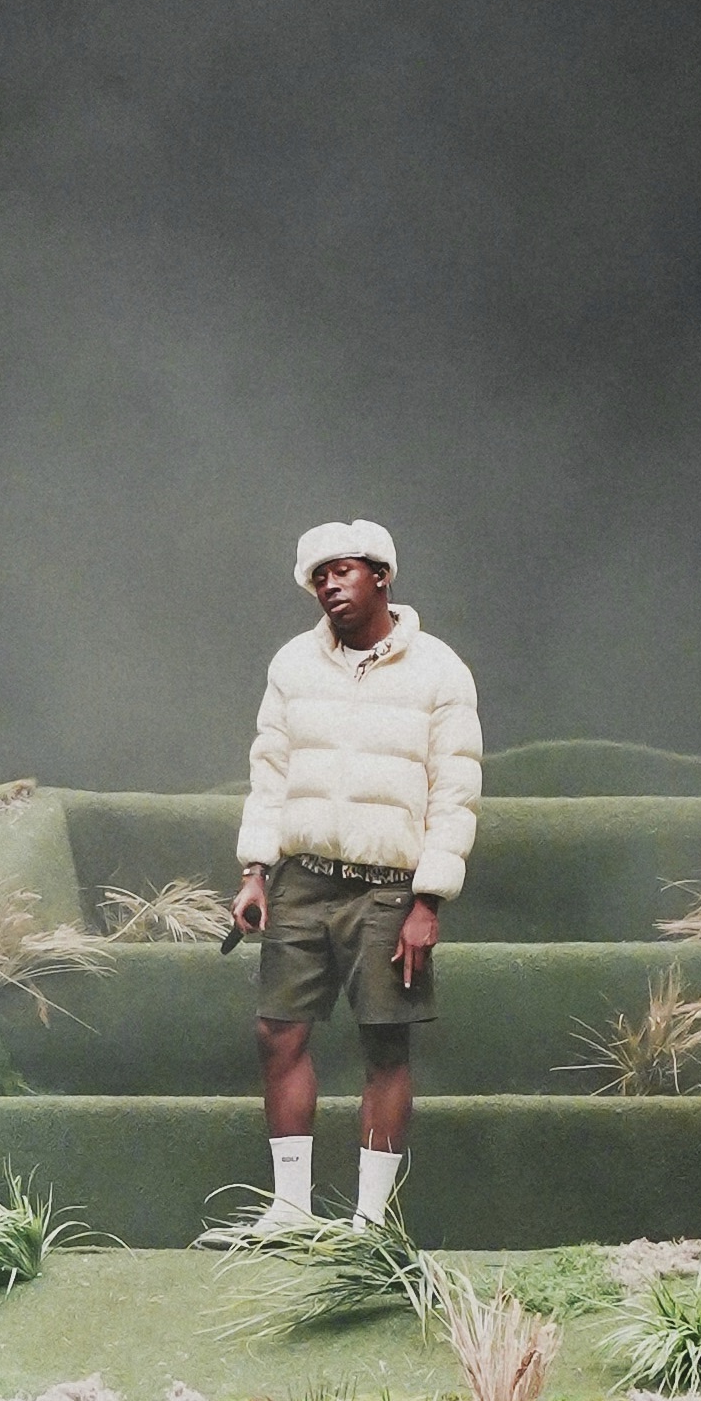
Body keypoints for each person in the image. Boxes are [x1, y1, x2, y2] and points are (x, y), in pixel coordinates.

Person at [224, 522, 484, 1235]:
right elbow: (270, 772)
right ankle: (290, 1209)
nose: (330, 586)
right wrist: (255, 871)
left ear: (381, 575)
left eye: (342, 571)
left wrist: (429, 900)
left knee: (385, 1043)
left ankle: (369, 1222)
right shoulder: (293, 664)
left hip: (389, 886)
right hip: (303, 878)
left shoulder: (439, 670)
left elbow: (455, 791)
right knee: (277, 1033)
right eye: (319, 577)